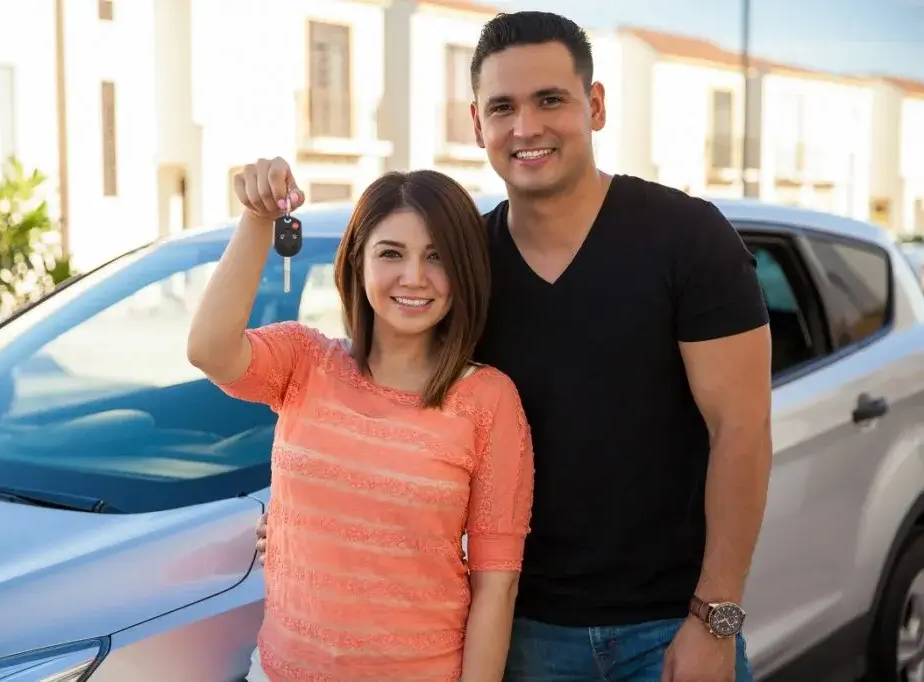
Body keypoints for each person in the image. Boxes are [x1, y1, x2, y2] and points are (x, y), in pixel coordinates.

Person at [257, 9, 773, 682]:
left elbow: (742, 430)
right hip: (519, 634)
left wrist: (716, 617)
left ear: (594, 105)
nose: (526, 127)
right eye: (503, 107)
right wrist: (307, 521)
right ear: (477, 125)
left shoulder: (688, 239)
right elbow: (393, 416)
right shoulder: (459, 270)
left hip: (669, 624)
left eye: (550, 100)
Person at [187, 160, 535, 682]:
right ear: (358, 261)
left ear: (465, 271)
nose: (414, 278)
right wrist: (258, 218)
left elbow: (496, 587)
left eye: (437, 257)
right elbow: (209, 349)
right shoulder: (305, 361)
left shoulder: (489, 400)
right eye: (391, 253)